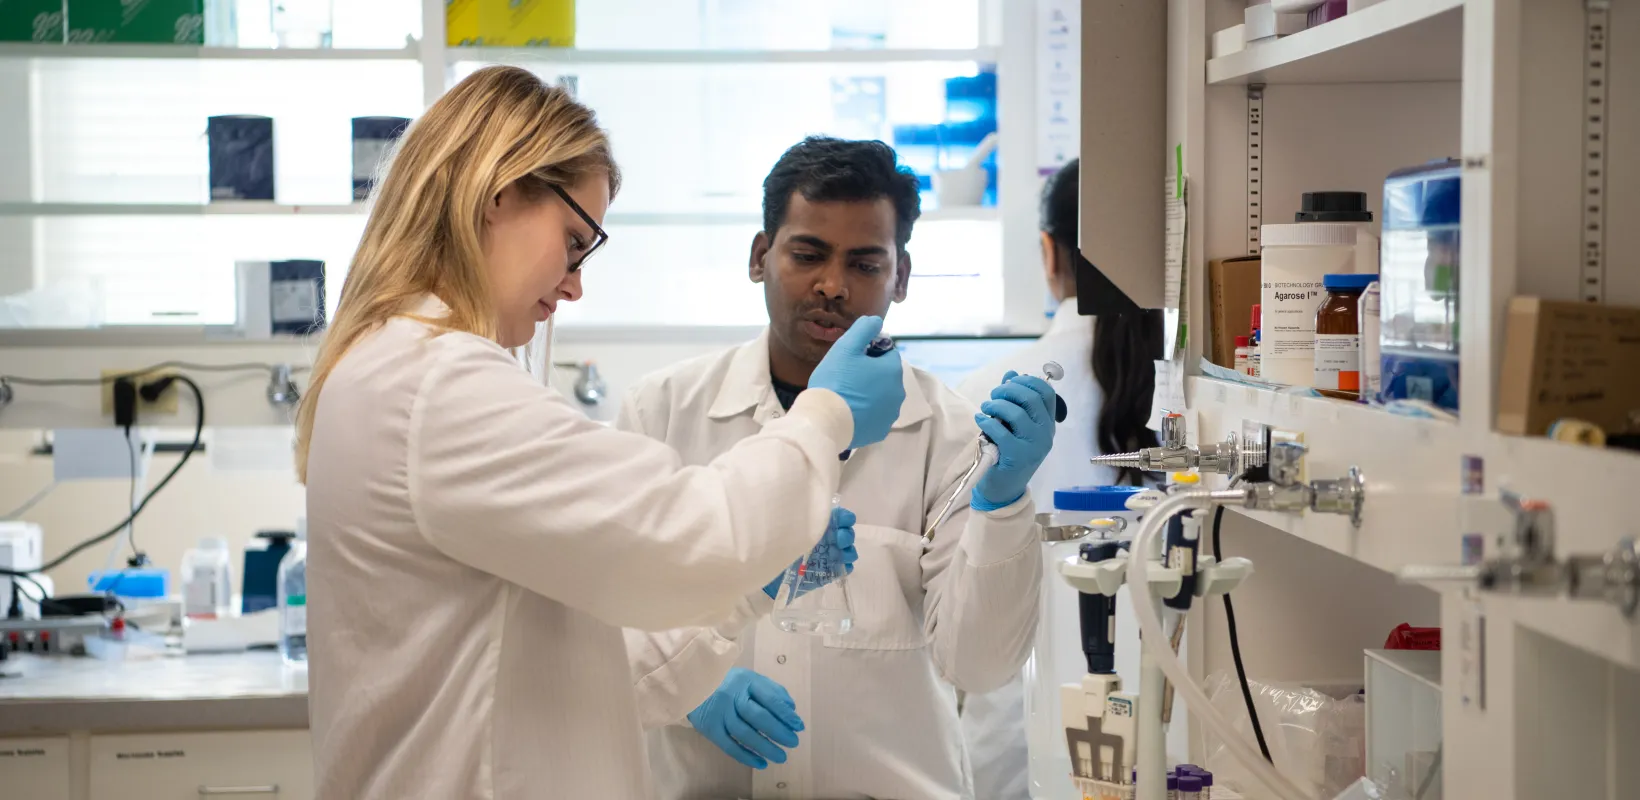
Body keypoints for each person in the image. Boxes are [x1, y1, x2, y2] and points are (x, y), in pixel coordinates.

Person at [295, 69, 908, 799]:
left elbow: (589, 660)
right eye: (574, 241)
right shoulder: (440, 384)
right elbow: (688, 533)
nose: (575, 282)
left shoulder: (396, 365)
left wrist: (749, 590)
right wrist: (828, 413)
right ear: (499, 193)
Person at [618, 136, 1060, 799]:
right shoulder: (662, 413)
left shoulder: (948, 434)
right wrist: (690, 686)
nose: (832, 285)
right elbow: (602, 611)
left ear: (900, 277)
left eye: (864, 263)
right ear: (759, 257)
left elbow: (981, 664)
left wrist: (1003, 507)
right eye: (807, 255)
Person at [955, 158, 1167, 799]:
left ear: (1050, 252)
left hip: (1015, 748)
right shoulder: (1194, 394)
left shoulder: (986, 395)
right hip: (1169, 736)